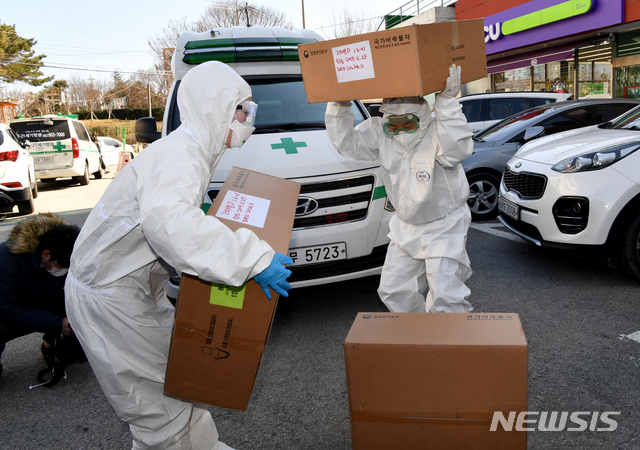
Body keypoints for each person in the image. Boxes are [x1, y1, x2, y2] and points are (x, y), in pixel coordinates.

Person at [64, 60, 292, 450]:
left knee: (184, 382)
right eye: (243, 108)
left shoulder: (193, 152)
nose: (249, 118)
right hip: (111, 298)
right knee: (156, 412)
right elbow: (173, 226)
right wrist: (252, 258)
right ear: (216, 106)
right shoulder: (179, 156)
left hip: (132, 290)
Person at [325, 64, 474, 314]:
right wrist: (339, 106)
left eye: (408, 124)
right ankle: (417, 342)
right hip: (405, 226)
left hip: (444, 225)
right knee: (394, 291)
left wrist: (447, 103)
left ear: (423, 119)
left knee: (446, 299)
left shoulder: (438, 131)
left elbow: (458, 150)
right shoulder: (379, 133)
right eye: (393, 126)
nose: (401, 132)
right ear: (384, 121)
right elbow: (347, 144)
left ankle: (450, 349)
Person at [0, 213, 80, 378]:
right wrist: (58, 323)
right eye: (63, 266)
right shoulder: (6, 259)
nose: (66, 270)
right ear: (46, 254)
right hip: (7, 310)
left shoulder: (66, 247)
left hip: (35, 298)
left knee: (79, 305)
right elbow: (9, 309)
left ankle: (51, 346)